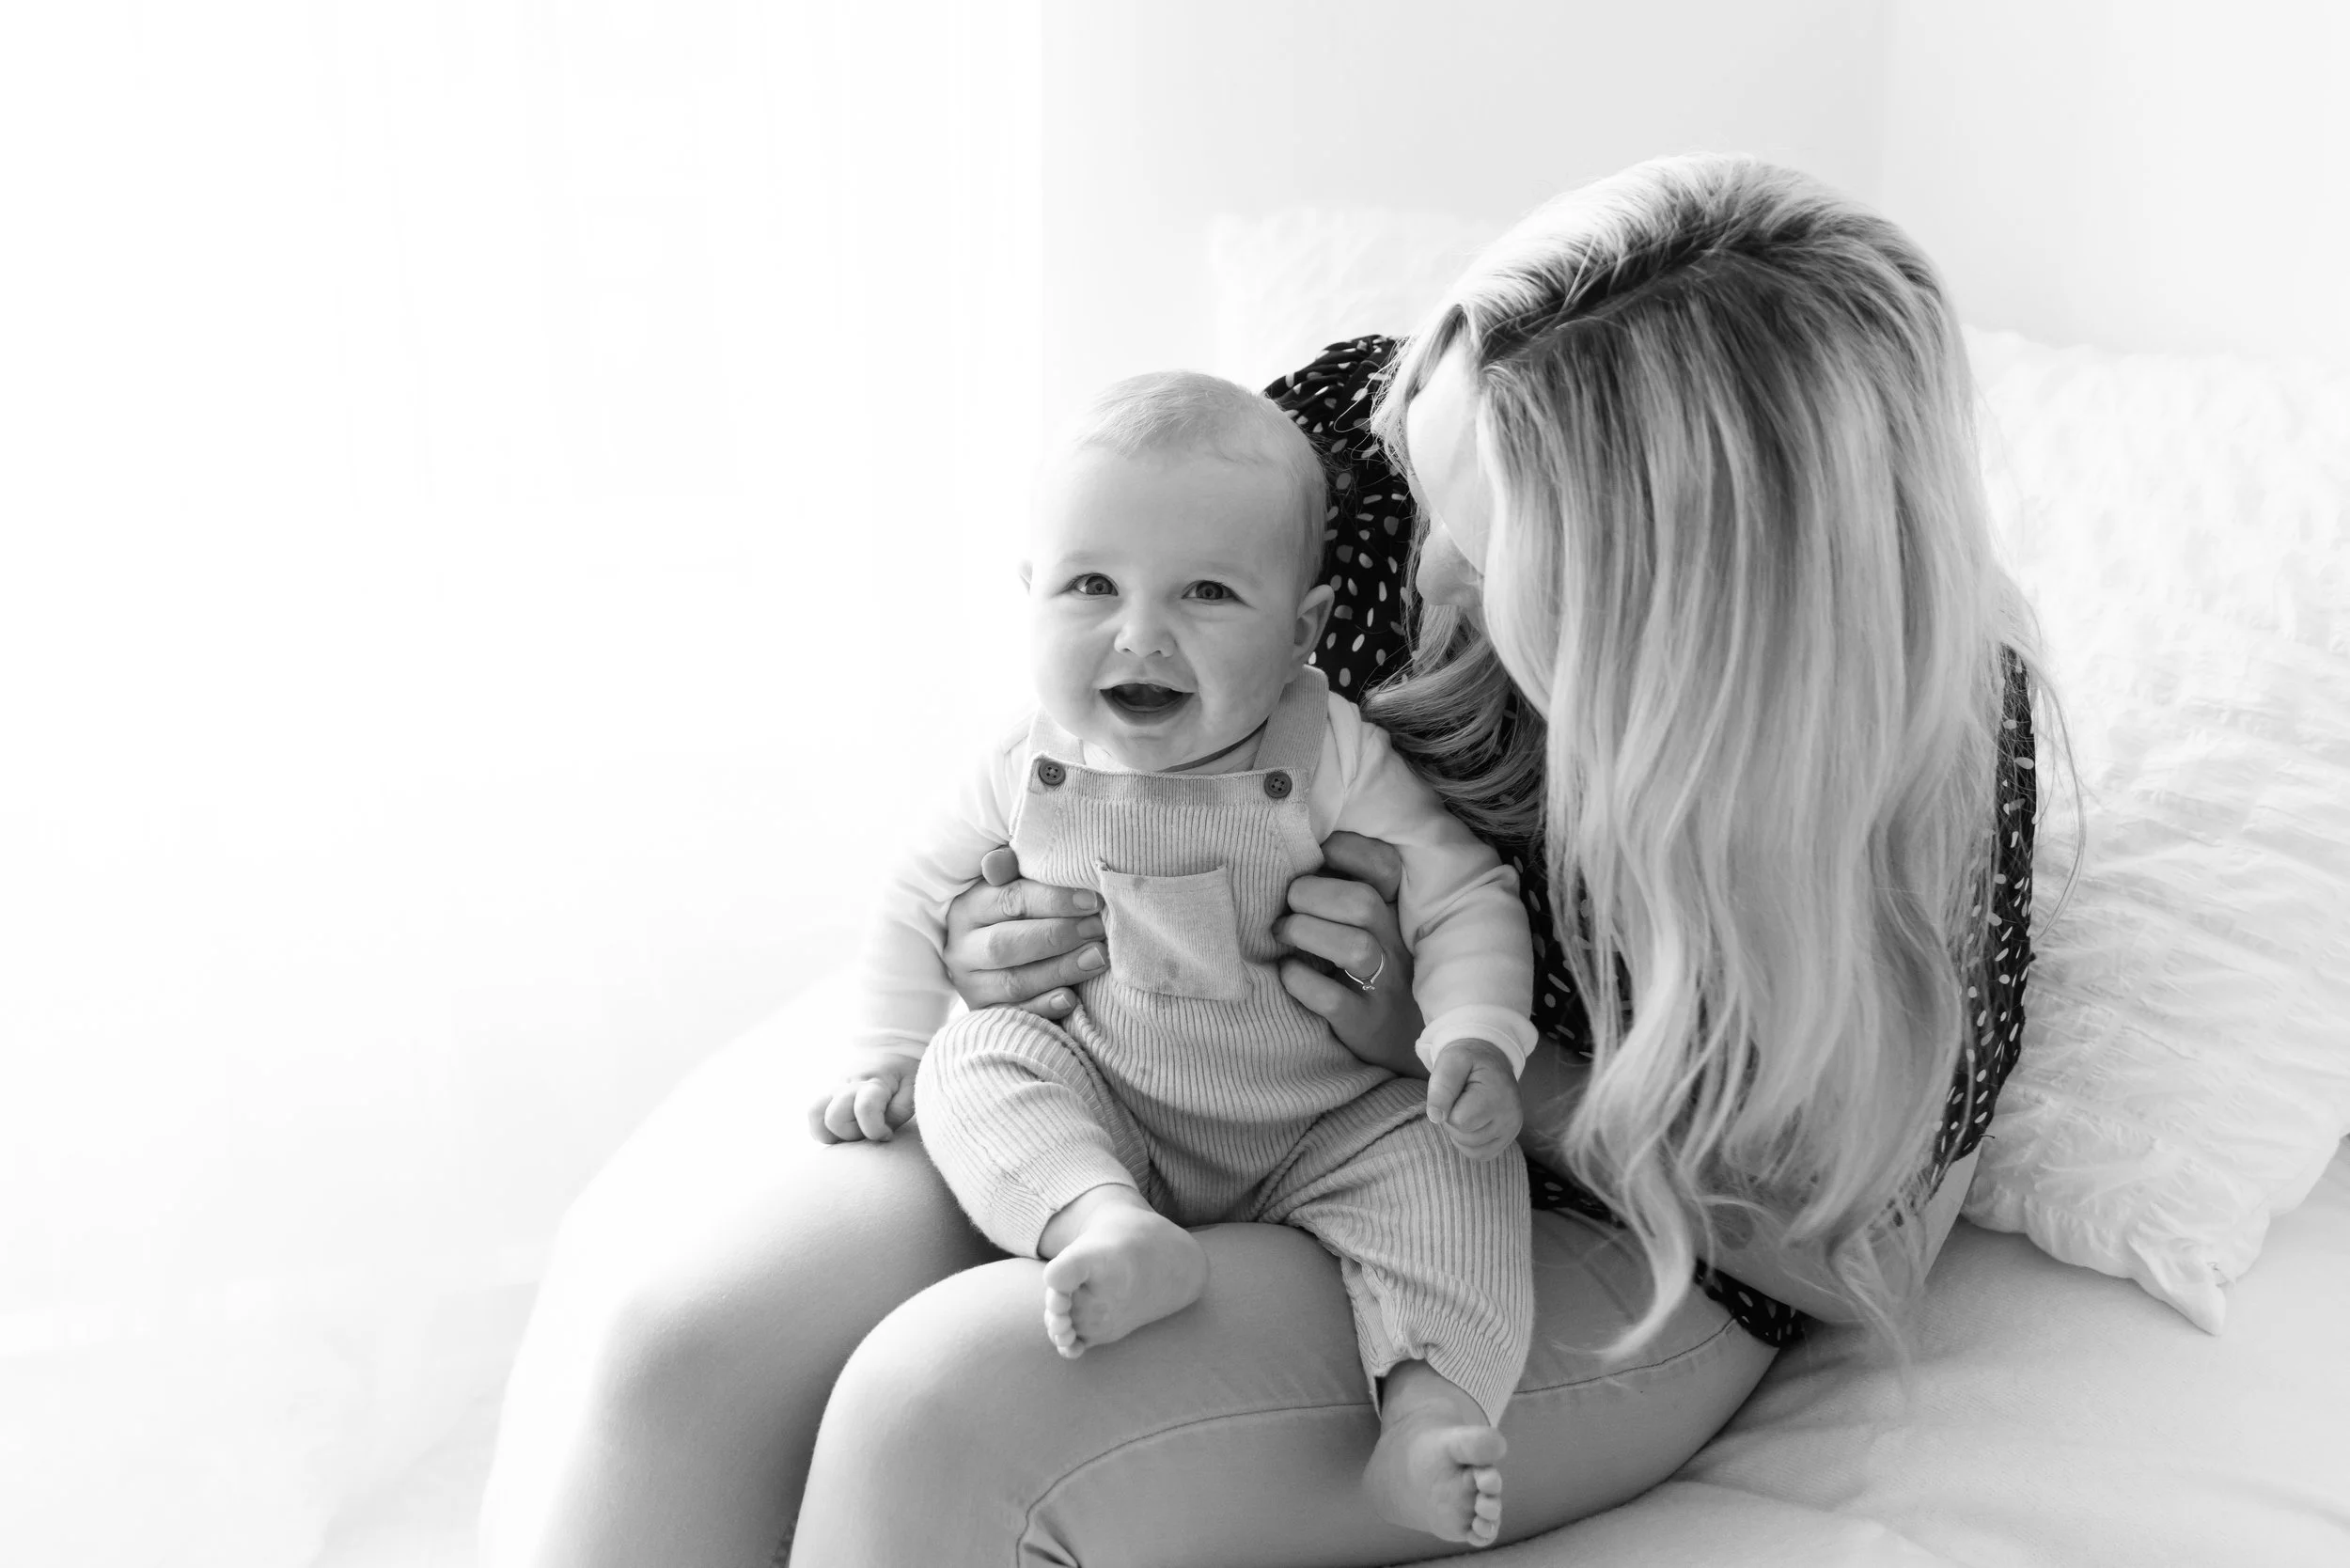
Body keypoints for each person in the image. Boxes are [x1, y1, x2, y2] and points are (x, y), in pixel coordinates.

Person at [478, 154, 2044, 1568]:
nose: (1413, 566)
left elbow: (1837, 1244)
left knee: (942, 1415)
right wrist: (1008, 923)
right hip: (1175, 1061)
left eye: (1488, 566)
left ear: (1675, 640)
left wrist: (1452, 1050)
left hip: (1578, 1212)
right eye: (1422, 485)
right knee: (685, 1346)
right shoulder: (1377, 444)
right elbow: (1109, 698)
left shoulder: (1914, 766)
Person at [824, 368, 1541, 1546]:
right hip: (1115, 1104)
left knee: (1457, 1172)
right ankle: (1104, 1224)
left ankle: (1424, 1412)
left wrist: (1473, 1038)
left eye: (1208, 592)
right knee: (978, 1060)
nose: (1139, 633)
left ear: (1302, 629)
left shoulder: (1335, 753)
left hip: (1325, 1125)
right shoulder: (1017, 761)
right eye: (1090, 586)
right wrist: (888, 1047)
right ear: (1029, 598)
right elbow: (913, 899)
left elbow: (1465, 897)